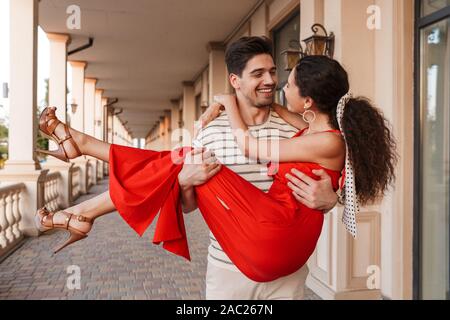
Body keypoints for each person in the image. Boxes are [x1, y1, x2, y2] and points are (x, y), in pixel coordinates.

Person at [34, 37, 396, 299]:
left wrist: (331, 199)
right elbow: (188, 205)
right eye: (259, 74)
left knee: (175, 162)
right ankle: (82, 185)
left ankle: (82, 176)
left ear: (309, 99)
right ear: (236, 82)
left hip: (286, 267)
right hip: (230, 269)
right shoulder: (219, 132)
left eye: (276, 73)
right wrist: (187, 182)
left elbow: (339, 179)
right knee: (180, 166)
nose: (272, 81)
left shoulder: (300, 130)